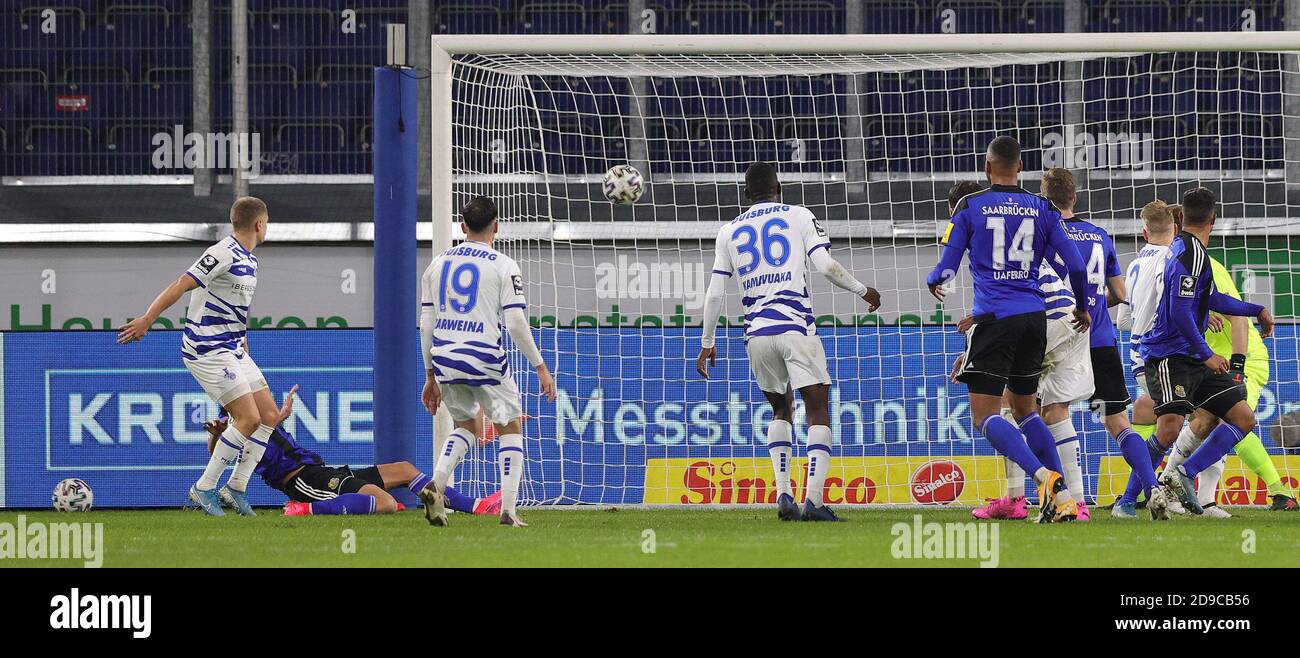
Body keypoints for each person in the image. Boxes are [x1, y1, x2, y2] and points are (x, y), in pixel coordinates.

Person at [696, 161, 881, 522]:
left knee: (781, 410)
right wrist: (863, 290)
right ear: (778, 188)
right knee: (818, 410)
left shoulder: (728, 231)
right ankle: (813, 501)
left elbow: (715, 292)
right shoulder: (798, 215)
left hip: (757, 336)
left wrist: (707, 341)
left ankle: (783, 495)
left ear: (746, 194)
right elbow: (825, 266)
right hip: (795, 328)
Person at [926, 136, 1092, 523]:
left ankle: (1043, 478)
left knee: (985, 415)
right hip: (1036, 319)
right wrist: (1082, 307)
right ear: (1021, 168)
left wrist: (934, 280)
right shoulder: (1044, 208)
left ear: (987, 167)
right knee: (1026, 410)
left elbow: (946, 269)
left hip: (996, 319)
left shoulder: (969, 207)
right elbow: (1078, 267)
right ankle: (1065, 500)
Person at [117, 196, 280, 517]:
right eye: (267, 222)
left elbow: (235, 306)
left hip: (233, 347)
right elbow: (181, 284)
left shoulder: (251, 260)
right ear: (260, 224)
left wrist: (243, 342)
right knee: (247, 419)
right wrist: (148, 319)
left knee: (269, 416)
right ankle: (204, 487)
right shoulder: (222, 252)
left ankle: (235, 488)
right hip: (207, 348)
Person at [419, 196, 557, 528]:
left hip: (445, 358)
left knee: (466, 426)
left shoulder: (436, 264)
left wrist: (430, 374)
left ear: (463, 227)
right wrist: (540, 367)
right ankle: (508, 511)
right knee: (510, 426)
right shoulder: (503, 264)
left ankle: (437, 484)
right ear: (496, 226)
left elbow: (426, 322)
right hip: (483, 356)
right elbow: (515, 323)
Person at [1140, 187, 1275, 516]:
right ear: (1214, 219)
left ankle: (1185, 472)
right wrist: (1206, 354)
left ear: (1181, 217)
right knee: (1169, 428)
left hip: (1190, 358)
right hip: (1172, 356)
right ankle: (1134, 496)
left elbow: (1211, 299)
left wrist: (1253, 308)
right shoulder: (1191, 255)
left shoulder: (1187, 250)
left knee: (1243, 418)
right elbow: (1180, 312)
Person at [203, 385, 501, 517]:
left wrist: (282, 414)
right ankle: (304, 509)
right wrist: (216, 437)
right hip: (302, 483)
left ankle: (476, 507)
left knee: (405, 469)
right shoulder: (239, 426)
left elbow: (268, 428)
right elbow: (222, 454)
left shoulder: (262, 418)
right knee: (383, 502)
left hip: (320, 473)